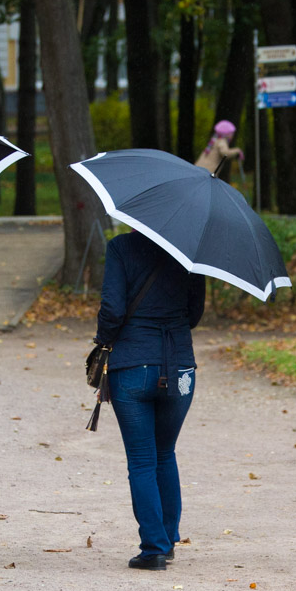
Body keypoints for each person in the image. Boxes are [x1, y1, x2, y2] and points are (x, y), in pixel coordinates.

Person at [95, 230, 205, 571]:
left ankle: (153, 548)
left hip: (132, 365)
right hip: (180, 365)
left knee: (142, 460)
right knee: (165, 452)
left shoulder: (121, 247)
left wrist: (104, 340)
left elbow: (112, 309)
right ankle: (168, 538)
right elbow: (195, 312)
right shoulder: (189, 249)